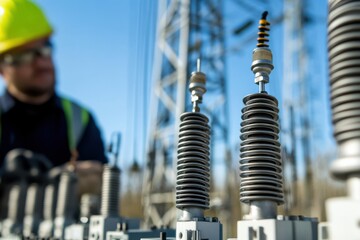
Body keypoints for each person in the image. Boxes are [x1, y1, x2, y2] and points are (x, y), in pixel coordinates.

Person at [0, 0, 107, 167]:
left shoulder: (80, 120)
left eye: (45, 49)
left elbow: (99, 182)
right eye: (24, 55)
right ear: (2, 68)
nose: (41, 63)